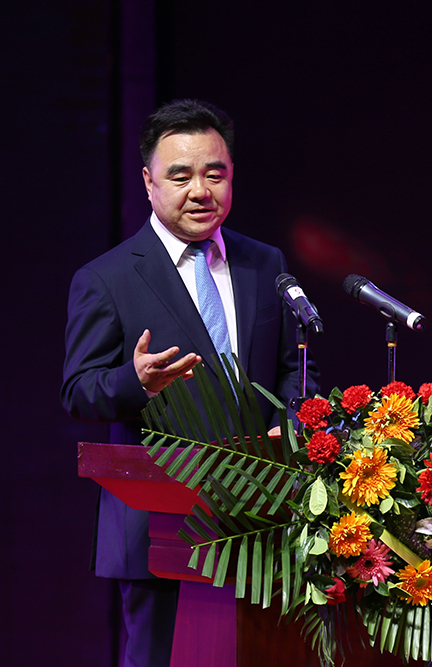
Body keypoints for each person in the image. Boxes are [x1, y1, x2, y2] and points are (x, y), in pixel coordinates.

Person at [61, 99, 320, 667]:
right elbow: (79, 390)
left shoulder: (264, 262)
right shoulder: (107, 277)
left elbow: (292, 370)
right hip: (160, 522)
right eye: (180, 176)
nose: (200, 190)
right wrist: (136, 382)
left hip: (264, 517)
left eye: (215, 174)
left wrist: (293, 421)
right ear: (149, 182)